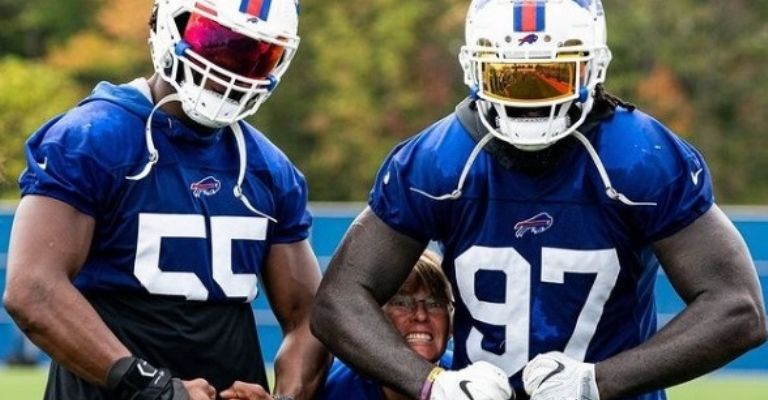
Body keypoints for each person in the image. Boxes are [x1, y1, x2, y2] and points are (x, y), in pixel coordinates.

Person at [311, 1, 767, 400]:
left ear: (592, 68)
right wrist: (434, 385)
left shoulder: (638, 158)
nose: (529, 100)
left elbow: (738, 308)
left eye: (552, 75)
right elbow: (338, 302)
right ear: (475, 69)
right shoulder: (439, 161)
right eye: (508, 77)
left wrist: (597, 382)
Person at [2, 1, 329, 399]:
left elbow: (310, 316)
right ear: (168, 23)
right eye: (217, 41)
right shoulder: (92, 137)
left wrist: (286, 397)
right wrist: (152, 388)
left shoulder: (269, 168)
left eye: (257, 55)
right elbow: (33, 289)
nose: (231, 68)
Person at [316, 250, 453, 400]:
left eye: (435, 304)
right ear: (373, 316)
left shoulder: (468, 376)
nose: (421, 315)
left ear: (452, 324)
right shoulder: (330, 387)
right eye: (402, 303)